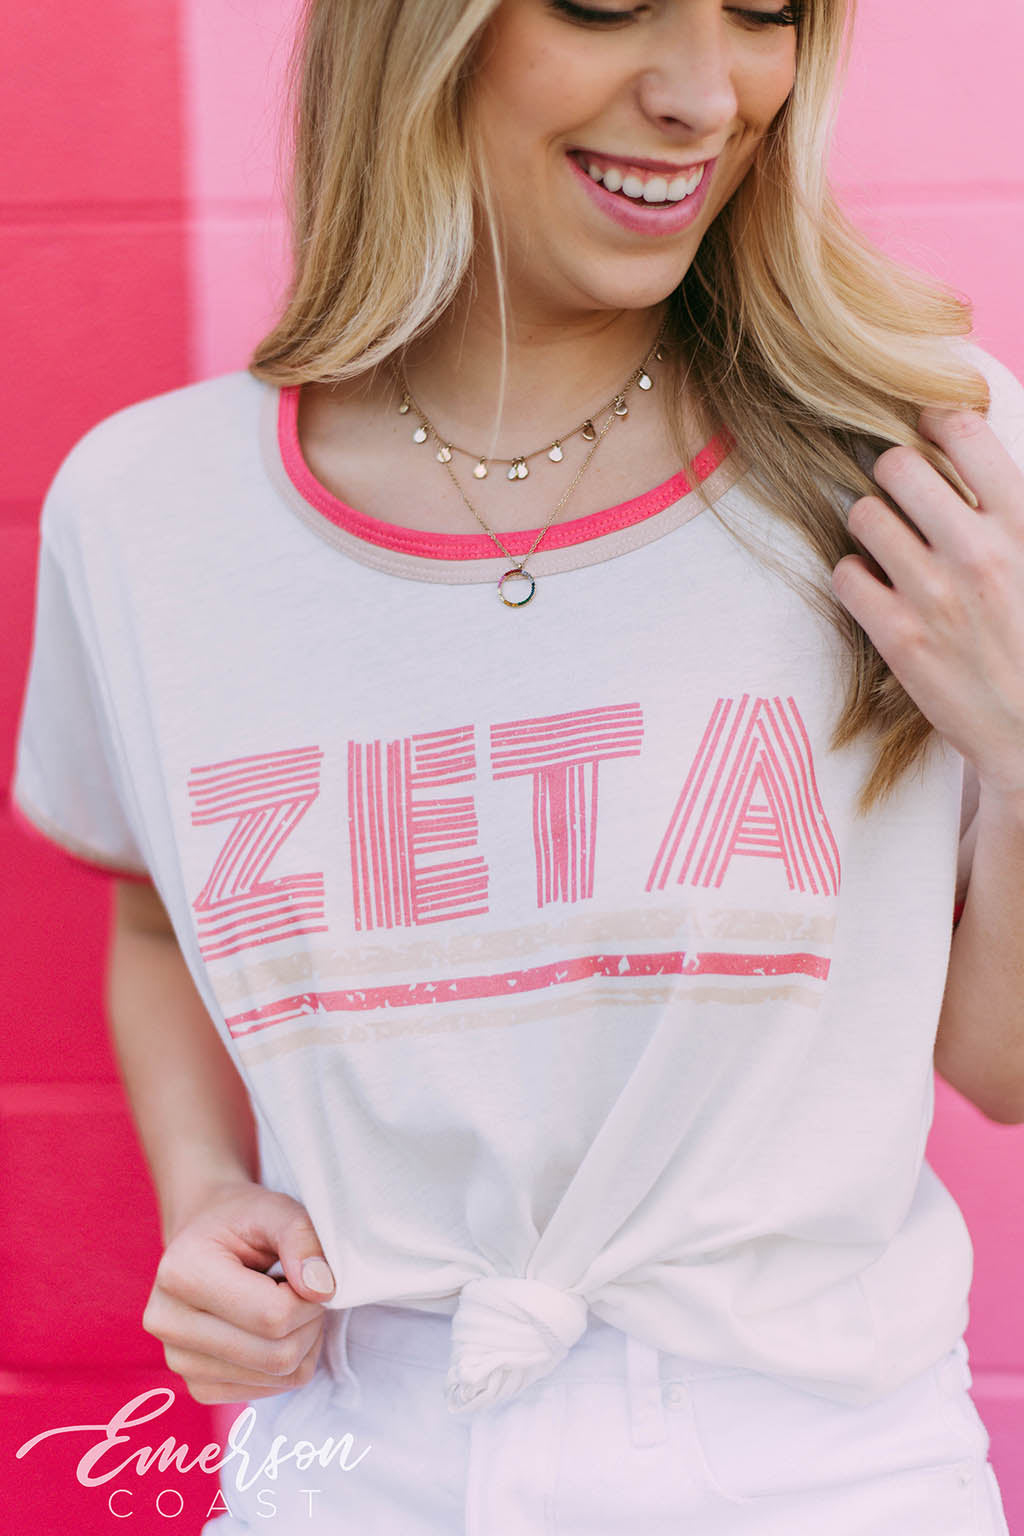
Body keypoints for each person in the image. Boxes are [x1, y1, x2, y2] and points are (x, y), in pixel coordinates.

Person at [9, 0, 1024, 1531]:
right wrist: (208, 1191)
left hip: (819, 1468)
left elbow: (1003, 1069)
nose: (704, 95)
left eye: (762, 12)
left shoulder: (913, 461)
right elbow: (157, 915)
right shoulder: (149, 509)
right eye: (609, 3)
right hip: (348, 1460)